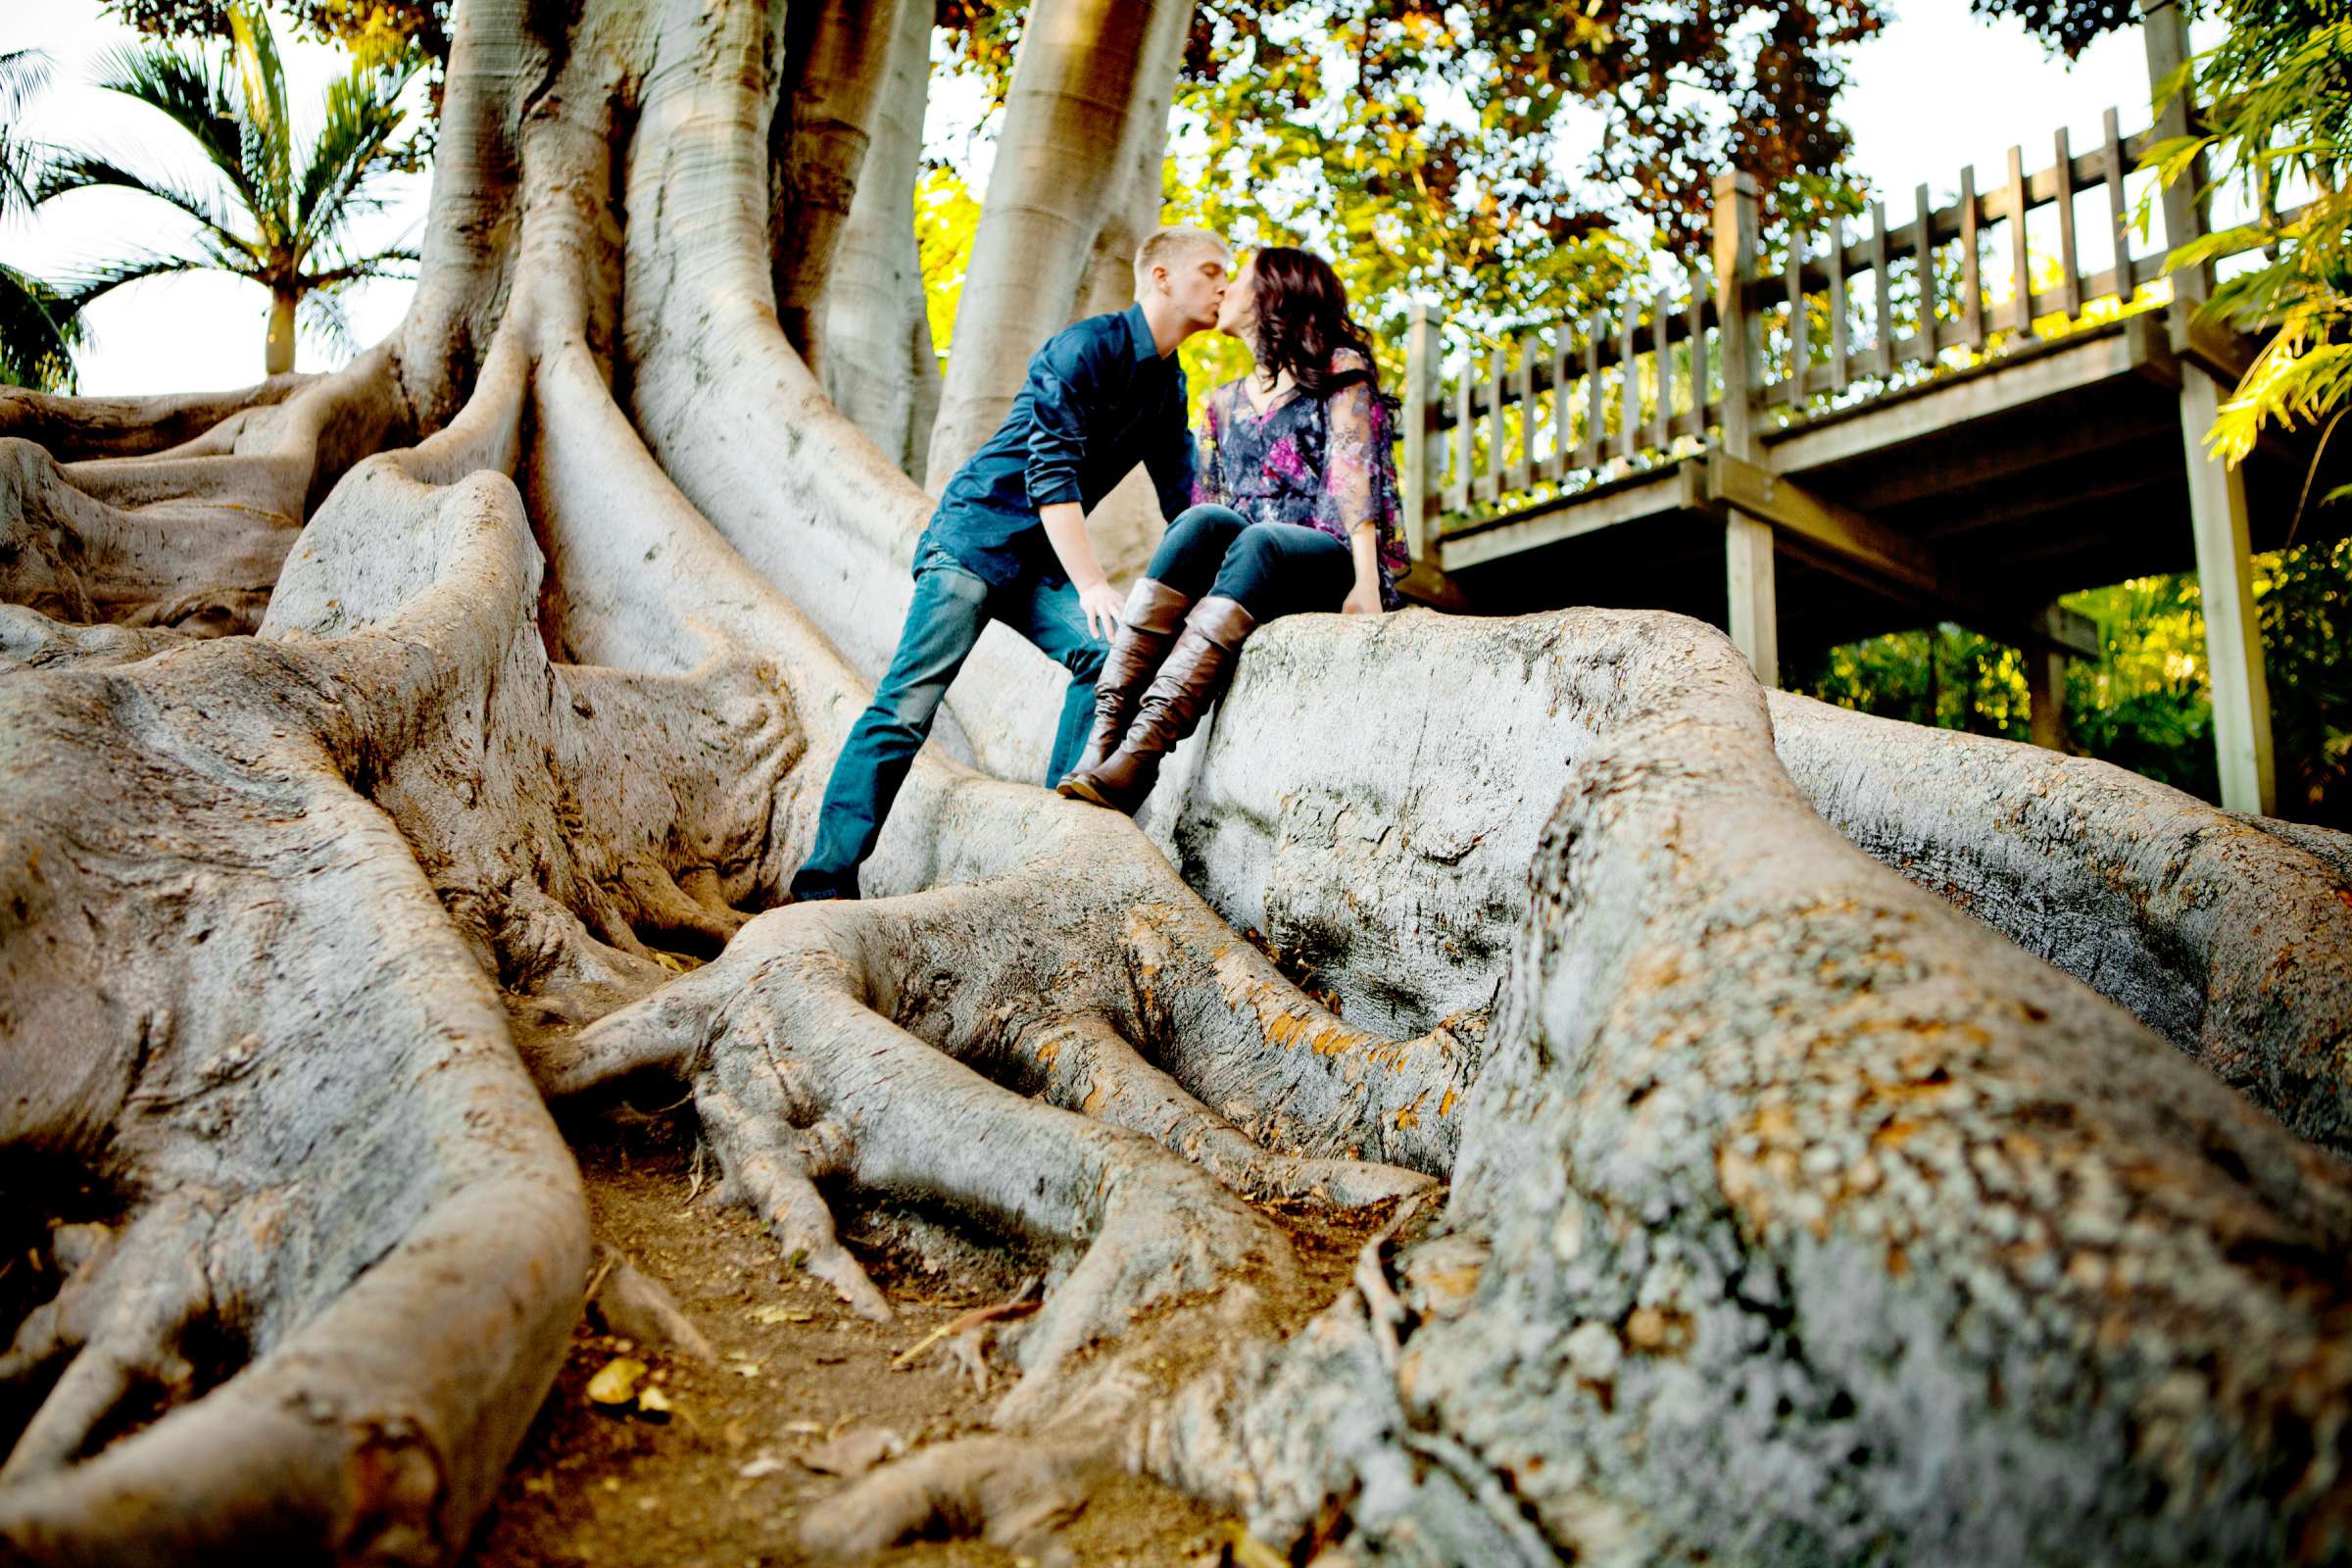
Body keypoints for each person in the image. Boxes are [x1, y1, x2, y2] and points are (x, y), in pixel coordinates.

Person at [788, 225, 1231, 901]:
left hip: (1037, 566)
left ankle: (1052, 855)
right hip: (977, 538)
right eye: (1211, 270)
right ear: (1162, 278)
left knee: (1109, 658)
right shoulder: (1085, 348)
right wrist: (1091, 583)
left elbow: (1188, 507)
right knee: (908, 705)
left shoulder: (1170, 387)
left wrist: (1231, 580)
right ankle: (823, 882)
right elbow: (1049, 474)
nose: (1225, 285)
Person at [1057, 246, 1409, 814]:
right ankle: (1105, 738)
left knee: (1259, 539)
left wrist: (1365, 585)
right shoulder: (1222, 402)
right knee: (1201, 520)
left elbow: (1352, 478)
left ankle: (1141, 756)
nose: (1222, 290)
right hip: (1247, 574)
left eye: (1236, 280)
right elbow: (1210, 509)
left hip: (1321, 559)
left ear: (1273, 294)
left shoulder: (1338, 370)